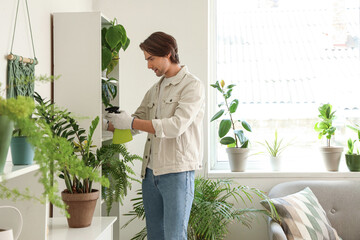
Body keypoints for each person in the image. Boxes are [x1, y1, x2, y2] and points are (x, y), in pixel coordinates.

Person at [105, 31, 205, 240]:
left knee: (174, 236)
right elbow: (136, 123)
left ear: (168, 53)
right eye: (147, 60)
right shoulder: (154, 90)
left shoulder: (192, 86)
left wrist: (131, 122)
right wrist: (110, 123)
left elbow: (176, 126)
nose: (149, 65)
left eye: (151, 59)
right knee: (156, 236)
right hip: (150, 175)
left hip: (177, 173)